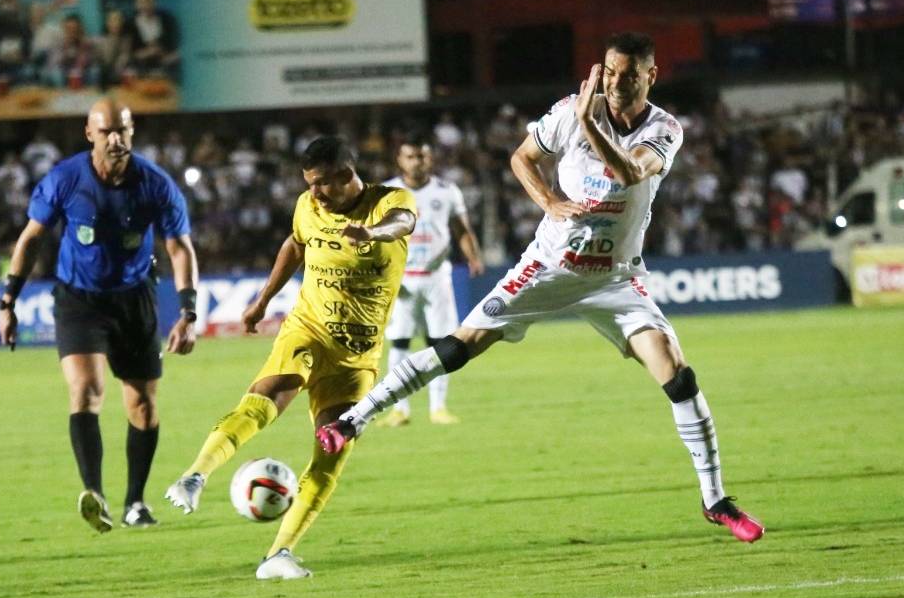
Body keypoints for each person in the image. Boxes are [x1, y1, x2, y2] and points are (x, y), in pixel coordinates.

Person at [316, 33, 764, 544]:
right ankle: (353, 420)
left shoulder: (663, 128)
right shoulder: (569, 112)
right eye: (611, 73)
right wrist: (549, 200)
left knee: (677, 374)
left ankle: (715, 499)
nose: (617, 83)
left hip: (616, 277)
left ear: (651, 76)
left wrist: (590, 125)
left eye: (630, 75)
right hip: (549, 266)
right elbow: (522, 158)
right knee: (460, 346)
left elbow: (629, 171)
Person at [161, 136, 415, 580]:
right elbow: (295, 246)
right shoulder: (307, 207)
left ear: (344, 175)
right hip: (308, 329)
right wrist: (262, 301)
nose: (314, 193)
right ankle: (195, 475)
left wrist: (371, 233)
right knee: (265, 400)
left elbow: (403, 221)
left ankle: (278, 555)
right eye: (309, 184)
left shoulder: (388, 201)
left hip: (357, 356)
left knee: (330, 452)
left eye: (321, 184)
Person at [0, 99, 199, 532]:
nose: (115, 139)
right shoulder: (65, 180)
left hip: (134, 298)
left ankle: (135, 502)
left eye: (122, 131)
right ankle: (95, 494)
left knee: (142, 404)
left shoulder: (156, 184)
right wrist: (8, 302)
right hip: (79, 299)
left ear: (132, 132)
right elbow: (31, 238)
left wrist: (188, 311)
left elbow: (179, 247)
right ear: (89, 134)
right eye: (106, 131)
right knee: (86, 390)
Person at [378, 136, 483, 426]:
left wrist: (473, 256)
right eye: (410, 157)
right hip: (402, 279)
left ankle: (438, 407)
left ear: (430, 158)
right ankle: (400, 409)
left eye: (421, 156)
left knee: (440, 342)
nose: (417, 162)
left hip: (437, 277)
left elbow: (461, 228)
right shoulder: (386, 192)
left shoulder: (447, 191)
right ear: (399, 160)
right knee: (399, 342)